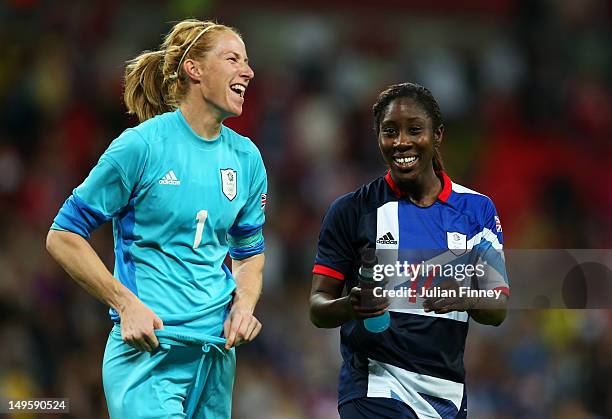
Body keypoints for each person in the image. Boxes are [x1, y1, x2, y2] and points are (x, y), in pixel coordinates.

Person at [46, 19, 266, 418]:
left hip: (214, 358)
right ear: (194, 69)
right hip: (149, 355)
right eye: (232, 59)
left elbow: (249, 253)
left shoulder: (247, 158)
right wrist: (124, 303)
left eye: (247, 62)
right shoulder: (141, 146)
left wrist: (244, 305)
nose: (247, 72)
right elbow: (62, 235)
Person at [309, 82, 509, 419]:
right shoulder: (351, 211)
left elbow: (499, 305)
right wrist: (352, 305)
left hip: (446, 395)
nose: (402, 141)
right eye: (390, 131)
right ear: (378, 137)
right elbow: (318, 307)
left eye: (414, 130)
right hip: (372, 385)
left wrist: (468, 298)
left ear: (437, 135)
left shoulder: (477, 210)